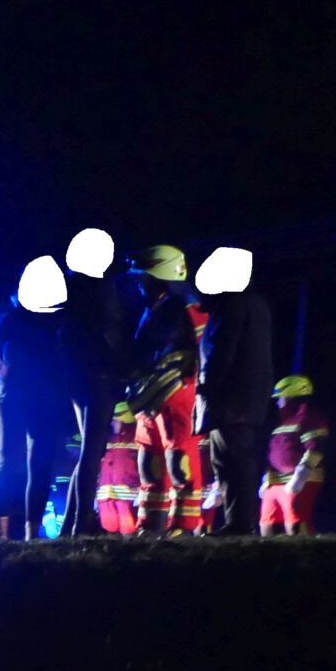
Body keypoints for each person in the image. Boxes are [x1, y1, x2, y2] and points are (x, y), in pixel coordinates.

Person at [0, 256, 76, 539]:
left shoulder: (45, 318)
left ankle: (19, 532)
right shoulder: (17, 317)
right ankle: (14, 532)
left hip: (34, 397)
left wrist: (3, 375)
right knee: (22, 464)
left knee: (23, 464)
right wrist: (4, 375)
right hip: (24, 397)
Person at [61, 227, 139, 538]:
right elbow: (110, 332)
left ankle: (72, 521)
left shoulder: (70, 287)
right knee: (93, 450)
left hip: (77, 375)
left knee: (88, 451)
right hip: (100, 375)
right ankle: (82, 522)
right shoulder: (101, 288)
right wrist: (129, 366)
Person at [193, 246, 275, 537]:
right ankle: (240, 522)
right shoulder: (255, 303)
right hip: (248, 394)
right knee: (237, 458)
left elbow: (221, 349)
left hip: (230, 395)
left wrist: (208, 386)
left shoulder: (231, 304)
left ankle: (239, 523)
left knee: (231, 459)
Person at [132, 244, 207, 535]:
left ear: (160, 276)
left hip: (178, 393)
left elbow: (205, 351)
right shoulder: (152, 309)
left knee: (179, 460)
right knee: (148, 462)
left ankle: (183, 526)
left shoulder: (188, 306)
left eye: (143, 277)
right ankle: (150, 524)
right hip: (149, 396)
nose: (139, 283)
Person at [262, 374, 329, 535]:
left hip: (299, 481)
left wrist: (300, 475)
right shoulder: (282, 423)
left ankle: (302, 549)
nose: (278, 403)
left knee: (295, 523)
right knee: (266, 524)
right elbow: (273, 454)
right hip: (275, 482)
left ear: (292, 397)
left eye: (281, 398)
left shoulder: (309, 418)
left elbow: (316, 448)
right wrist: (266, 478)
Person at [94, 400, 145, 536]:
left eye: (115, 420)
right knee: (109, 535)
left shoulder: (138, 437)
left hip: (128, 497)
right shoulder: (107, 438)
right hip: (106, 497)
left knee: (129, 536)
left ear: (124, 419)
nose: (111, 423)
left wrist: (142, 491)